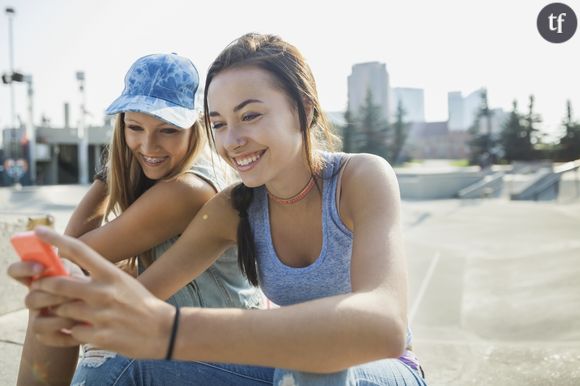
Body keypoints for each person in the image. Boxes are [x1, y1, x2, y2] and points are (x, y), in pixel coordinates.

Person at [17, 33, 427, 385]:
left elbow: (384, 324)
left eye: (250, 115)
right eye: (218, 123)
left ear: (303, 109)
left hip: (380, 369)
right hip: (286, 365)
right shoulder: (235, 206)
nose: (232, 141)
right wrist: (74, 302)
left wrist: (173, 331)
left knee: (314, 370)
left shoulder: (361, 178)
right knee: (116, 363)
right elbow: (142, 298)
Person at [8, 52, 261, 386]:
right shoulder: (177, 176)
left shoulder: (188, 189)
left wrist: (108, 173)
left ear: (194, 128)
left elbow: (72, 255)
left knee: (63, 302)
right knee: (59, 295)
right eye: (135, 128)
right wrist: (118, 166)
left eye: (168, 130)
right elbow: (72, 260)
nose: (148, 145)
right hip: (195, 336)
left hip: (225, 350)